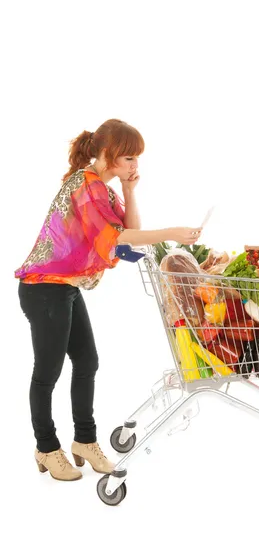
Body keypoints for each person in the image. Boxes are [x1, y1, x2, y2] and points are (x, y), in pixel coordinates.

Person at [15, 118, 202, 481]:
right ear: (106, 154)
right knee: (48, 372)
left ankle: (84, 440)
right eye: (129, 158)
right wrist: (173, 232)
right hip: (43, 288)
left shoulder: (103, 188)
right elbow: (116, 238)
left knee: (87, 362)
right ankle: (46, 447)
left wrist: (131, 193)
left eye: (136, 159)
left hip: (64, 287)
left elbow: (126, 235)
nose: (135, 166)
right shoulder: (85, 185)